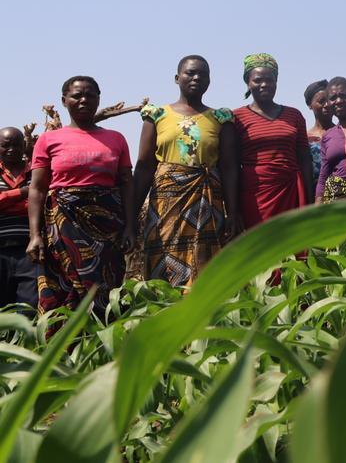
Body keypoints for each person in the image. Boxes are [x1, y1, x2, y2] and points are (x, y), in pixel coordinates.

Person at [26, 77, 135, 316]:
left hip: (107, 228)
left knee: (107, 292)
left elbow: (127, 184)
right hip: (62, 228)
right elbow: (37, 189)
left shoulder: (116, 139)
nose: (84, 100)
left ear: (98, 99)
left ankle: (106, 349)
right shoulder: (48, 139)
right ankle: (64, 350)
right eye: (77, 95)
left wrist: (129, 227)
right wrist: (35, 235)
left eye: (90, 95)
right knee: (64, 294)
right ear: (64, 101)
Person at [132, 55, 239, 286]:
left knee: (205, 266)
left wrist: (233, 212)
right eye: (190, 73)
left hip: (207, 205)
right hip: (164, 207)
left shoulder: (220, 118)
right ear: (177, 78)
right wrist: (130, 218)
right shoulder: (157, 115)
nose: (196, 78)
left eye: (203, 74)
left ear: (209, 81)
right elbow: (143, 167)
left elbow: (229, 168)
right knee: (161, 268)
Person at [233, 54, 313, 229]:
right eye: (257, 80)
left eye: (269, 80)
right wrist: (234, 209)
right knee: (261, 248)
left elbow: (305, 159)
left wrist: (309, 198)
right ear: (248, 82)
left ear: (276, 82)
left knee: (295, 245)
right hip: (254, 195)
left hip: (291, 191)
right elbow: (232, 165)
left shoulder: (294, 115)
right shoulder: (236, 117)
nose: (264, 85)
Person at [0, 128, 35, 310]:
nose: (12, 149)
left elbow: (41, 202)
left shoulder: (36, 172)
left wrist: (6, 200)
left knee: (28, 307)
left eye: (16, 145)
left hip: (30, 251)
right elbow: (32, 202)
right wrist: (23, 193)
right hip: (1, 249)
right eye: (6, 145)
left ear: (24, 146)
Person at [304, 80, 333, 189]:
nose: (327, 105)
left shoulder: (344, 133)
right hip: (314, 194)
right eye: (321, 101)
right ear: (309, 105)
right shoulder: (304, 138)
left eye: (330, 100)